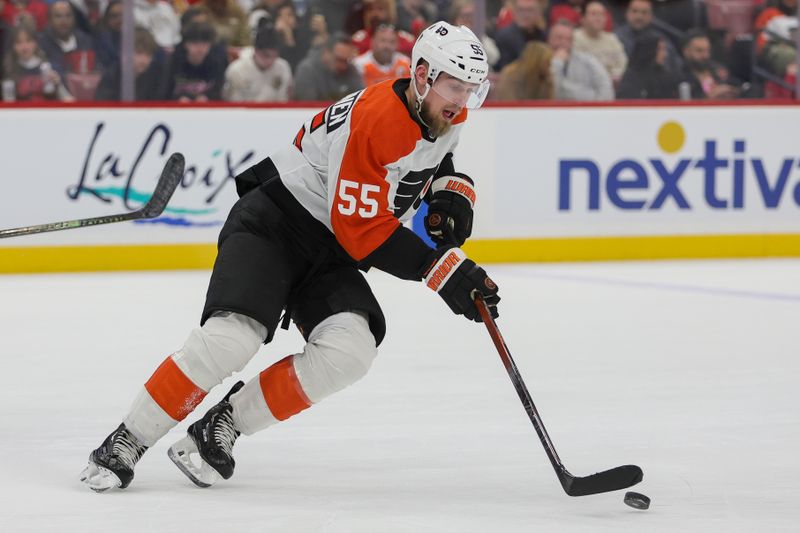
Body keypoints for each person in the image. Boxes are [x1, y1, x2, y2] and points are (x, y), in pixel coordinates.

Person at [79, 20, 500, 493]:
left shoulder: (441, 114)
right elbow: (362, 232)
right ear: (422, 75)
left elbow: (431, 161)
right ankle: (127, 438)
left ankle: (223, 425)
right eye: (454, 86)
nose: (462, 100)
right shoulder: (379, 117)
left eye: (470, 89)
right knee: (232, 339)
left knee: (350, 351)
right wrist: (443, 271)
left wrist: (451, 190)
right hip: (275, 223)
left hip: (329, 246)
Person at [2, 22, 74, 101]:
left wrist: (58, 85)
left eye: (28, 41)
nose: (24, 46)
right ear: (13, 46)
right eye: (19, 42)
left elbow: (70, 102)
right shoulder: (9, 71)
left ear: (35, 43)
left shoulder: (50, 67)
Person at [94, 26, 167, 100]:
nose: (144, 60)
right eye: (139, 53)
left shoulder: (156, 77)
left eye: (148, 54)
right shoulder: (112, 77)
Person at [223, 25, 292, 101]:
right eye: (266, 55)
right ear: (256, 50)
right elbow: (232, 105)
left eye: (274, 56)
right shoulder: (237, 71)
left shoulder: (283, 68)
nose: (270, 61)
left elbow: (284, 101)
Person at [548, 20, 613, 100]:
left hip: (587, 110)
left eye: (569, 39)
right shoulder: (540, 61)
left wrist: (598, 109)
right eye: (559, 38)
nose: (564, 43)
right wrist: (557, 62)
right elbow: (554, 92)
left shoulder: (589, 61)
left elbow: (605, 86)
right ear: (549, 39)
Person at [164, 20, 227, 102]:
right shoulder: (172, 60)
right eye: (195, 43)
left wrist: (207, 97)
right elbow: (164, 91)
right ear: (185, 44)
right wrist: (177, 98)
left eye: (204, 43)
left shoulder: (218, 59)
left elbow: (220, 89)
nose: (200, 48)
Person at [293, 32, 363, 101]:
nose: (343, 66)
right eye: (339, 60)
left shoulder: (351, 69)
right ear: (326, 53)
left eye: (346, 60)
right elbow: (307, 105)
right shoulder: (307, 70)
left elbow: (360, 99)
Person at [37, 0, 97, 77]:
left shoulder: (85, 41)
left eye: (68, 16)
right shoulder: (41, 44)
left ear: (74, 19)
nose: (64, 21)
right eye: (58, 16)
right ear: (50, 20)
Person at [573, 0, 627, 85]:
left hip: (613, 87)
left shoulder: (612, 39)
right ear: (582, 18)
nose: (598, 18)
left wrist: (614, 76)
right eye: (593, 14)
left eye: (602, 14)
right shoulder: (574, 38)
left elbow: (622, 64)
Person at [679, 29, 739, 100]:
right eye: (699, 51)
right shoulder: (679, 77)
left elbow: (737, 87)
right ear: (686, 52)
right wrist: (711, 96)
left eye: (707, 50)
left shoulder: (718, 71)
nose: (705, 55)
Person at [616, 32, 677, 99]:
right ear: (649, 50)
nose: (665, 55)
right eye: (660, 49)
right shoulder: (632, 77)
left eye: (664, 49)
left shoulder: (665, 76)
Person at [494, 0, 547, 70]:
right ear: (514, 12)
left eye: (530, 10)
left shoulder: (544, 36)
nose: (525, 15)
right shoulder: (504, 37)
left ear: (539, 12)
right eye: (521, 10)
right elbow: (506, 70)